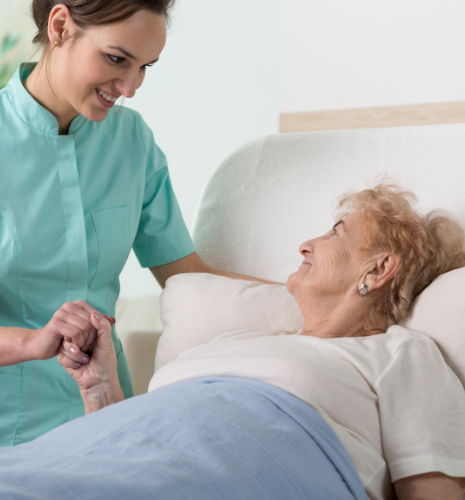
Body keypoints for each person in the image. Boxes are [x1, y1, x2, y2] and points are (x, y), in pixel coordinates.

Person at [0, 0, 267, 458]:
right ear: (61, 26)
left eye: (145, 67)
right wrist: (31, 342)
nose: (129, 87)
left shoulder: (132, 141)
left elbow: (187, 276)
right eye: (116, 59)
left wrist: (331, 299)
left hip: (107, 425)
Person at [59, 182, 465, 500]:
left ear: (378, 270)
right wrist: (99, 387)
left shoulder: (401, 353)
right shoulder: (232, 340)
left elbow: (431, 492)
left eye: (335, 233)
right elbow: (121, 449)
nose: (306, 245)